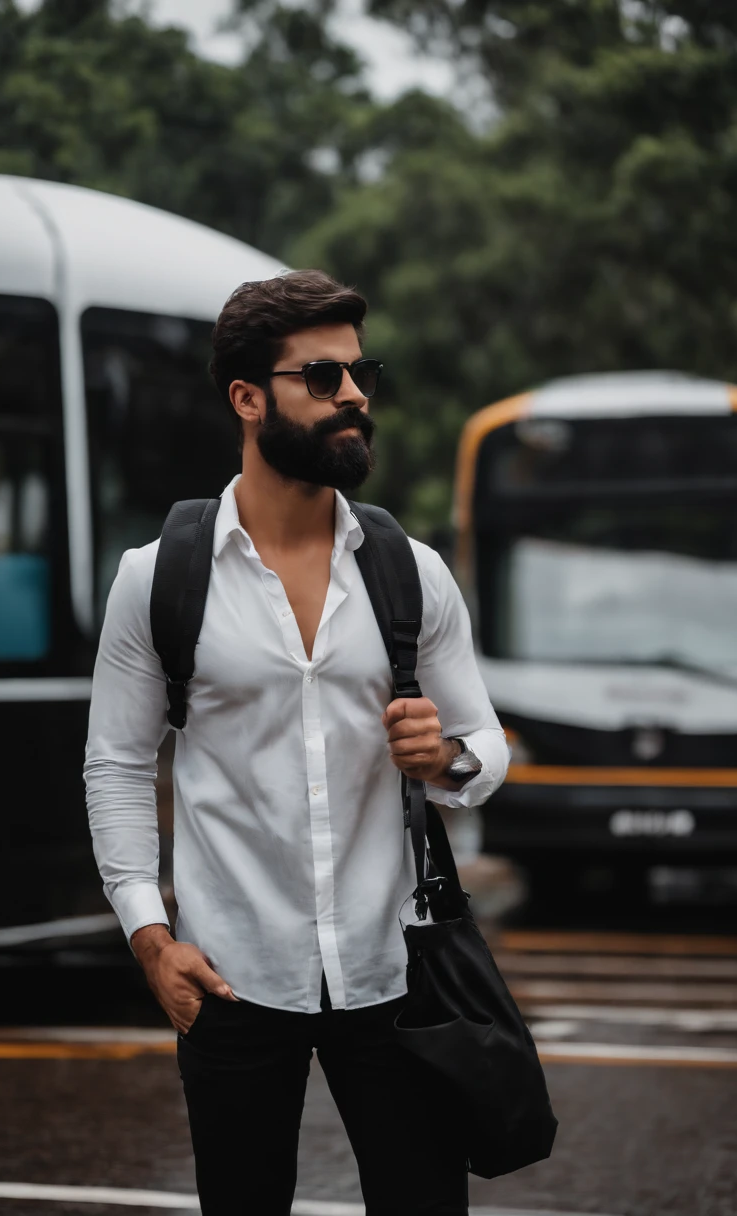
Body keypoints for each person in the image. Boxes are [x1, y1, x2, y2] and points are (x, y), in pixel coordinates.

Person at [84, 269, 509, 1215]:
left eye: (361, 374)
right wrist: (149, 939)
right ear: (247, 398)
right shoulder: (158, 578)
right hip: (231, 974)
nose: (355, 396)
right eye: (322, 378)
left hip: (397, 970)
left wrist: (449, 759)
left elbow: (485, 740)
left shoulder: (410, 571)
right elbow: (115, 763)